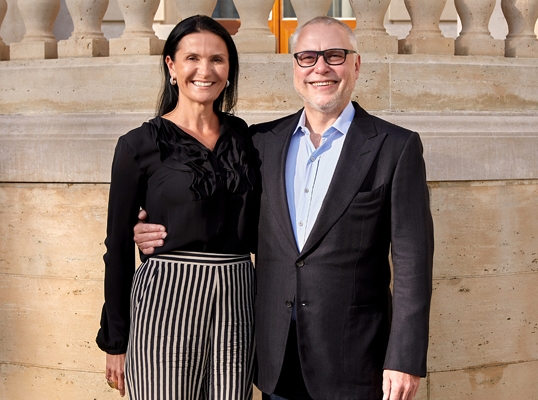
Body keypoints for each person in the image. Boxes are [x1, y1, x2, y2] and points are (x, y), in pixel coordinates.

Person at [135, 16, 434, 400]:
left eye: (335, 55)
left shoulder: (395, 146)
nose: (320, 68)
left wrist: (405, 358)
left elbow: (413, 263)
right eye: (307, 57)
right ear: (295, 68)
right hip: (275, 357)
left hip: (355, 360)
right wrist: (154, 231)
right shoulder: (259, 143)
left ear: (356, 65)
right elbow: (224, 218)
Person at [96, 15, 260, 400]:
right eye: (192, 58)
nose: (205, 70)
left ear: (230, 69)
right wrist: (116, 341)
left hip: (237, 298)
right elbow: (117, 248)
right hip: (166, 298)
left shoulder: (247, 139)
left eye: (217, 59)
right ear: (171, 65)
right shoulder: (138, 145)